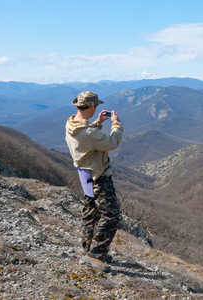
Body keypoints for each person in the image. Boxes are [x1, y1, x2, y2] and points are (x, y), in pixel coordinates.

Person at [65, 91, 123, 272]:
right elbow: (112, 143)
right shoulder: (88, 132)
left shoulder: (71, 123)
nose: (96, 108)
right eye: (95, 105)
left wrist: (97, 123)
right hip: (98, 176)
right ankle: (95, 255)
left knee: (90, 212)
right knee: (111, 214)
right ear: (91, 106)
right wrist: (116, 124)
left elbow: (87, 138)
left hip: (85, 175)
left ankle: (87, 248)